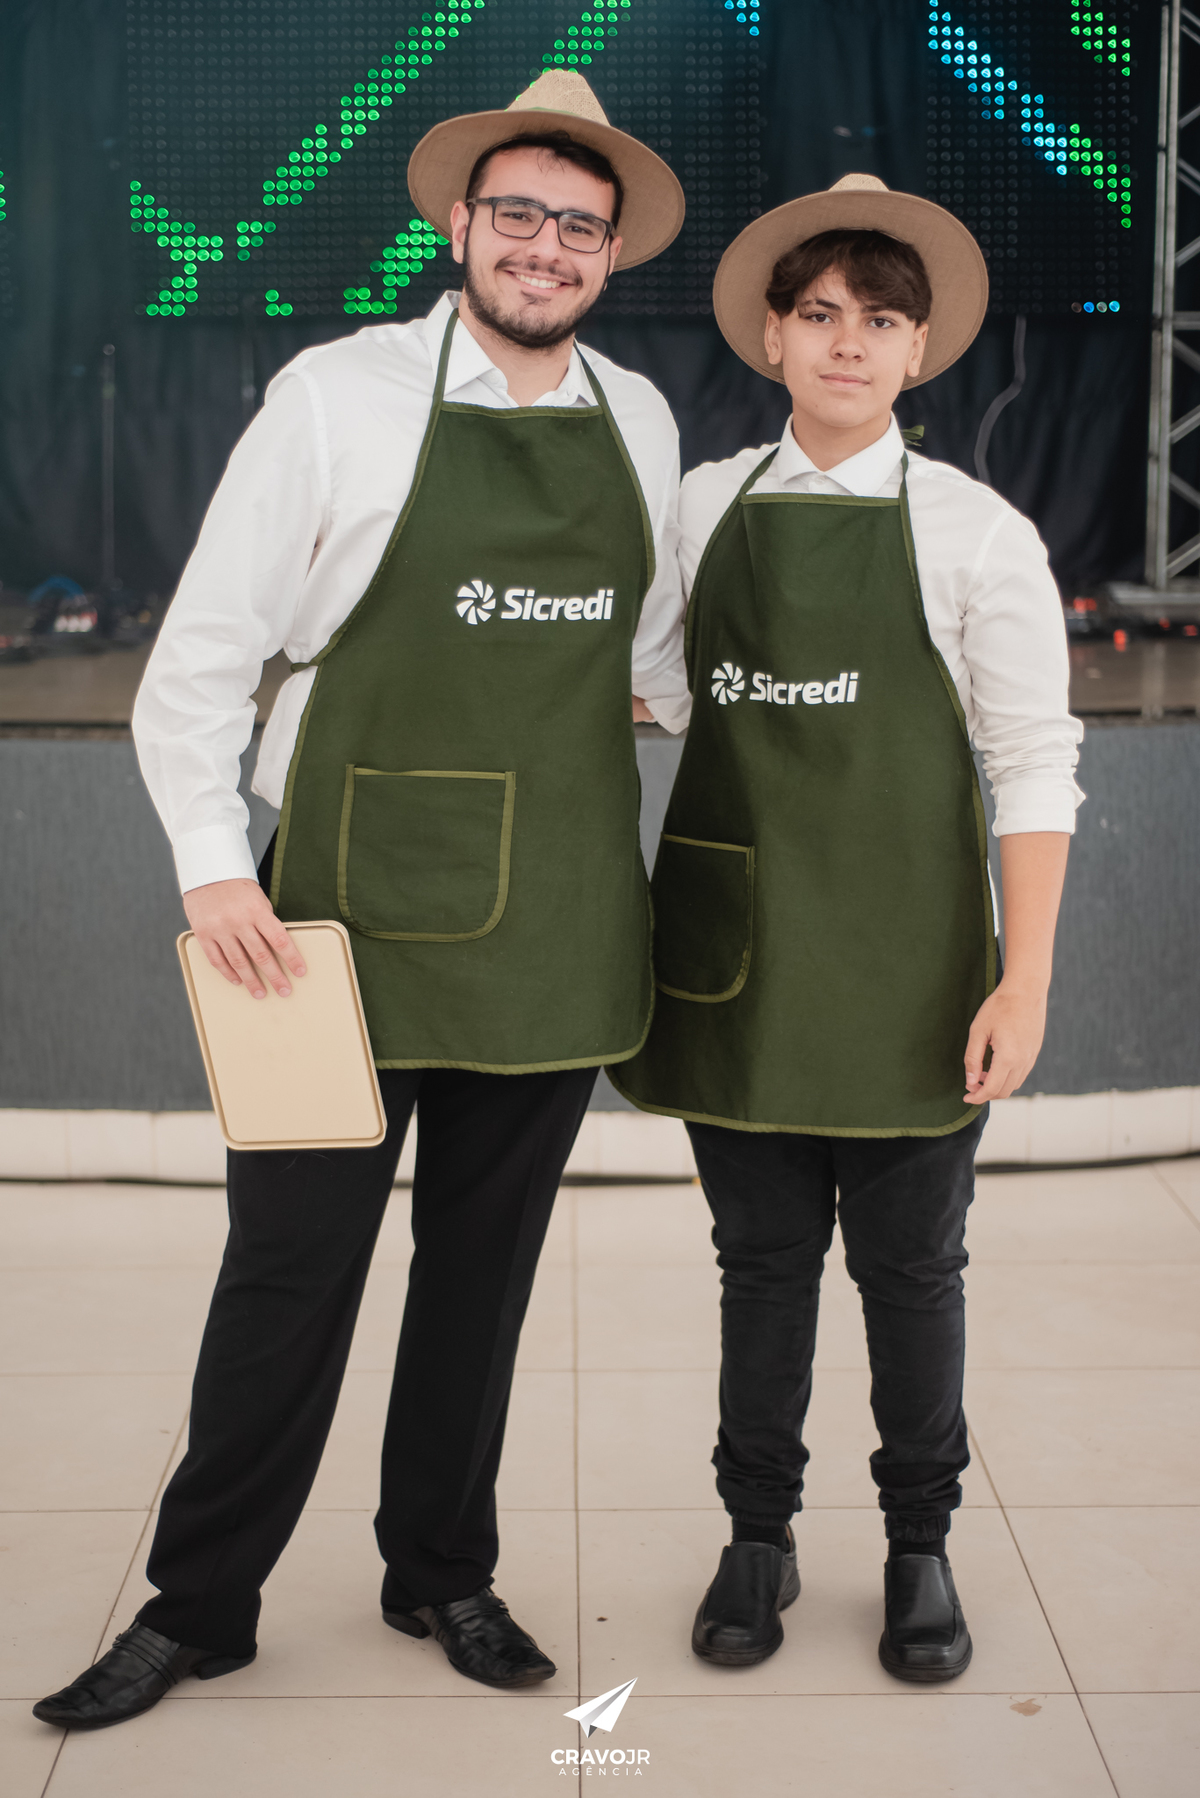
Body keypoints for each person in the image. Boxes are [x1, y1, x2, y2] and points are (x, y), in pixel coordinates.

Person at [34, 71, 689, 1731]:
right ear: (459, 222)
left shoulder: (639, 419)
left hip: (551, 919)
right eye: (518, 212)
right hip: (325, 916)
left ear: (612, 256)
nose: (546, 246)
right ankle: (199, 1602)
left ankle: (440, 1568)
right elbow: (199, 661)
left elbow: (653, 657)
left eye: (580, 226)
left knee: (485, 1275)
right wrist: (210, 866)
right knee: (287, 1272)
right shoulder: (335, 395)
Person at [613, 175, 1083, 1682]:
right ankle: (757, 1532)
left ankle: (918, 1541)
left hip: (911, 969)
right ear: (771, 333)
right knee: (759, 1265)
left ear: (919, 348)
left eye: (881, 321)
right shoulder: (701, 506)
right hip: (740, 959)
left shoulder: (978, 535)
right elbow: (661, 687)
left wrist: (1027, 977)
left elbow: (1035, 765)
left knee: (913, 1273)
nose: (847, 344)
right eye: (819, 314)